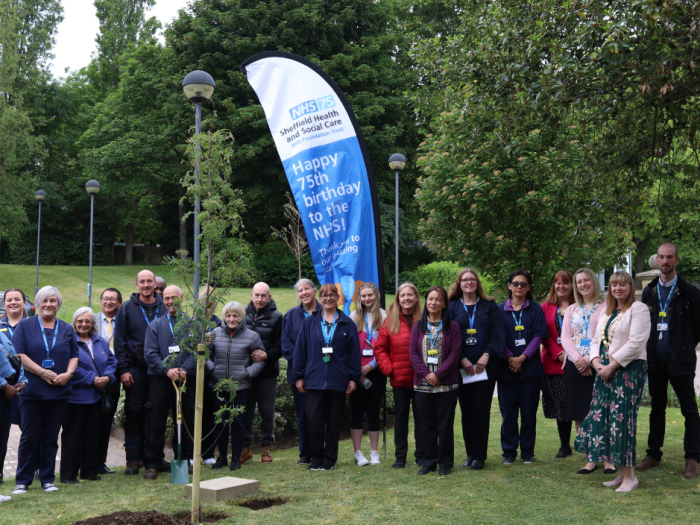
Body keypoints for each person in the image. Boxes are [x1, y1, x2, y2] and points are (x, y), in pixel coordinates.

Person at [574, 271, 650, 493]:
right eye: (614, 285)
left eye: (623, 285)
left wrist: (612, 365)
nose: (618, 289)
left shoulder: (639, 309)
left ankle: (631, 477)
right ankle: (621, 473)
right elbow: (596, 339)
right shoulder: (608, 312)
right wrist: (596, 361)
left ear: (630, 287)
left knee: (623, 423)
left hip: (627, 370)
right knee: (607, 421)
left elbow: (636, 342)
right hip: (604, 371)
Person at [638, 243, 700, 479]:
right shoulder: (650, 291)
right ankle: (653, 455)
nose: (665, 262)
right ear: (657, 260)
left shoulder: (690, 293)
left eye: (669, 258)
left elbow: (697, 327)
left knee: (690, 411)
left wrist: (683, 347)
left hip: (680, 362)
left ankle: (693, 458)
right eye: (661, 257)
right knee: (656, 409)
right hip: (656, 361)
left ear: (676, 260)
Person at [12, 286, 79, 494]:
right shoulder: (24, 326)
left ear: (58, 304)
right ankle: (23, 480)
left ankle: (47, 479)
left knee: (51, 436)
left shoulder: (67, 328)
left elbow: (74, 356)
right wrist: (42, 372)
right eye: (44, 301)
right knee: (29, 436)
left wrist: (68, 374)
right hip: (32, 391)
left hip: (59, 391)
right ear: (36, 304)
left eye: (53, 301)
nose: (48, 304)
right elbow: (19, 355)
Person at [293, 283, 360, 471]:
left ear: (338, 298)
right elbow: (300, 350)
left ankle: (330, 458)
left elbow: (354, 354)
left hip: (338, 380)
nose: (328, 298)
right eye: (324, 295)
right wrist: (299, 376)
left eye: (332, 295)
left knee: (333, 421)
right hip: (313, 380)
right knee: (313, 420)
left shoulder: (347, 323)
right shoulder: (310, 322)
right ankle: (316, 456)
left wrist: (354, 378)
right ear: (319, 298)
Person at [447, 268, 504, 471]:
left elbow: (498, 334)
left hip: (485, 367)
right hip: (462, 367)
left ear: (477, 283)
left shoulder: (489, 306)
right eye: (465, 279)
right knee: (466, 411)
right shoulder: (452, 306)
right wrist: (462, 358)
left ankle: (480, 456)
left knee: (481, 410)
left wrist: (487, 355)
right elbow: (449, 336)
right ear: (459, 283)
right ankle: (470, 454)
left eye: (472, 279)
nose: (468, 282)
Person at [561, 268, 615, 475]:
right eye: (579, 281)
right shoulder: (572, 309)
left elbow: (607, 335)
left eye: (586, 280)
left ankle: (609, 459)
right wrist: (577, 360)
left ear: (594, 281)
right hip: (575, 367)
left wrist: (589, 360)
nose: (583, 284)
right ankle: (591, 458)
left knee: (604, 411)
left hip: (599, 364)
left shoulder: (606, 307)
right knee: (580, 413)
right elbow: (566, 338)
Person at [113, 269, 165, 475]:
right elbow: (119, 342)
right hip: (135, 369)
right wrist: (123, 370)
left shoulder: (164, 307)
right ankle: (133, 459)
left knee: (155, 414)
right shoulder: (126, 308)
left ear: (155, 284)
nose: (146, 285)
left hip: (159, 369)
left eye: (149, 281)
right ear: (136, 285)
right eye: (142, 281)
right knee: (134, 413)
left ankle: (154, 458)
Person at [143, 285, 195, 480]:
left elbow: (197, 352)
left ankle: (184, 459)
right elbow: (150, 353)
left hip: (185, 379)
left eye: (174, 298)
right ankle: (152, 463)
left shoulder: (193, 324)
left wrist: (185, 369)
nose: (171, 302)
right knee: (155, 421)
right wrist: (167, 370)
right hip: (160, 380)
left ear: (181, 297)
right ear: (162, 299)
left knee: (185, 419)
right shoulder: (155, 325)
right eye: (167, 299)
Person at [60, 308, 117, 484]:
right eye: (80, 321)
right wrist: (91, 378)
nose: (83, 324)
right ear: (74, 323)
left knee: (93, 435)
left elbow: (111, 361)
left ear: (93, 323)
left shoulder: (100, 341)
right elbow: (70, 366)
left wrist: (107, 377)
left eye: (87, 321)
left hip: (96, 396)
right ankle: (68, 475)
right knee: (73, 436)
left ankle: (90, 471)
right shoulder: (69, 342)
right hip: (75, 397)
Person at [207, 301, 265, 471]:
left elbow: (260, 361)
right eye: (228, 315)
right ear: (224, 317)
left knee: (238, 423)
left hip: (240, 387)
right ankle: (222, 456)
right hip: (218, 386)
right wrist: (212, 369)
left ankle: (236, 457)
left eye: (235, 315)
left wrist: (247, 373)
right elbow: (204, 355)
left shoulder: (252, 336)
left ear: (241, 317)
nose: (231, 319)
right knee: (220, 422)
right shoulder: (214, 333)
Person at [498, 270, 549, 464]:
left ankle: (527, 452)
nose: (519, 287)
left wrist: (522, 358)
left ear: (528, 288)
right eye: (515, 283)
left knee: (528, 413)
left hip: (530, 370)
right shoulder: (499, 309)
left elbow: (539, 336)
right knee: (508, 414)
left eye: (523, 284)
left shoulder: (535, 309)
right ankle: (509, 452)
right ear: (509, 286)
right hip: (506, 370)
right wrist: (511, 357)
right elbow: (497, 337)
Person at [409, 286, 461, 475]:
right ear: (426, 302)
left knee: (445, 425)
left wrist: (438, 375)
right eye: (430, 299)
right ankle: (429, 462)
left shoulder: (453, 327)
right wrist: (426, 375)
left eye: (438, 299)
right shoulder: (418, 327)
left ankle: (445, 463)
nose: (433, 303)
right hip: (423, 385)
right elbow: (413, 354)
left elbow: (455, 355)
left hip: (447, 384)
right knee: (426, 424)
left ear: (444, 304)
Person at [375, 282, 424, 468]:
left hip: (422, 378)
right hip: (400, 379)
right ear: (398, 299)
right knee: (401, 418)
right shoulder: (390, 321)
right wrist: (390, 369)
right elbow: (380, 349)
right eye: (403, 295)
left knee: (421, 418)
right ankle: (400, 457)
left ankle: (421, 455)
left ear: (417, 297)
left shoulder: (425, 319)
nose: (406, 298)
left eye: (410, 295)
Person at [241, 282, 283, 464]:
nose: (259, 299)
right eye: (256, 295)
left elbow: (282, 347)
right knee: (246, 413)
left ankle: (266, 448)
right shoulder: (242, 314)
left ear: (269, 297)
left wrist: (266, 355)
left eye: (263, 295)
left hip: (268, 374)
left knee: (267, 413)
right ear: (251, 295)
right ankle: (246, 448)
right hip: (247, 373)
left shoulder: (278, 317)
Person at [281, 279, 321, 464]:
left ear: (314, 291)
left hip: (321, 374)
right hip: (299, 376)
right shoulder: (290, 316)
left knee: (320, 415)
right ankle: (305, 453)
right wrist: (301, 371)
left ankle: (320, 452)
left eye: (307, 289)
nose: (304, 293)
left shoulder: (327, 312)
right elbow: (287, 347)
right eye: (300, 290)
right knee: (303, 416)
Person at [348, 282, 387, 466]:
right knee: (356, 411)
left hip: (376, 371)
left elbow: (386, 347)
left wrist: (371, 366)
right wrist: (358, 370)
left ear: (375, 295)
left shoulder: (385, 316)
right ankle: (357, 452)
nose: (367, 299)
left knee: (373, 411)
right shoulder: (353, 317)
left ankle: (374, 452)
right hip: (357, 372)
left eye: (370, 295)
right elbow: (349, 347)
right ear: (359, 298)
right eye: (363, 296)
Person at [540, 271, 575, 459]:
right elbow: (543, 335)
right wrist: (558, 353)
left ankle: (584, 442)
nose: (561, 286)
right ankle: (564, 445)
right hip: (553, 363)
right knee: (560, 406)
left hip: (577, 362)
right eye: (557, 283)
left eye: (566, 283)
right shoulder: (546, 307)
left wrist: (571, 353)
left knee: (577, 404)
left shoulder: (579, 306)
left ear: (572, 285)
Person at [96, 288, 122, 475]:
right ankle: (84, 459)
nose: (109, 302)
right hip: (93, 376)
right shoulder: (90, 319)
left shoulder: (124, 321)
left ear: (119, 303)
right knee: (89, 420)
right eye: (105, 299)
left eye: (113, 299)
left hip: (114, 376)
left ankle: (100, 462)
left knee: (106, 420)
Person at [0, 322, 26, 485]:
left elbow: (15, 359)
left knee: (2, 439)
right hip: (4, 389)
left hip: (6, 395)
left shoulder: (2, 335)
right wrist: (3, 385)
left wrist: (22, 381)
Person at [1, 289, 28, 431]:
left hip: (26, 384)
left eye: (17, 299)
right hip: (4, 386)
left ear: (24, 302)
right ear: (4, 303)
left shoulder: (32, 326)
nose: (13, 303)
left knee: (29, 431)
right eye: (9, 300)